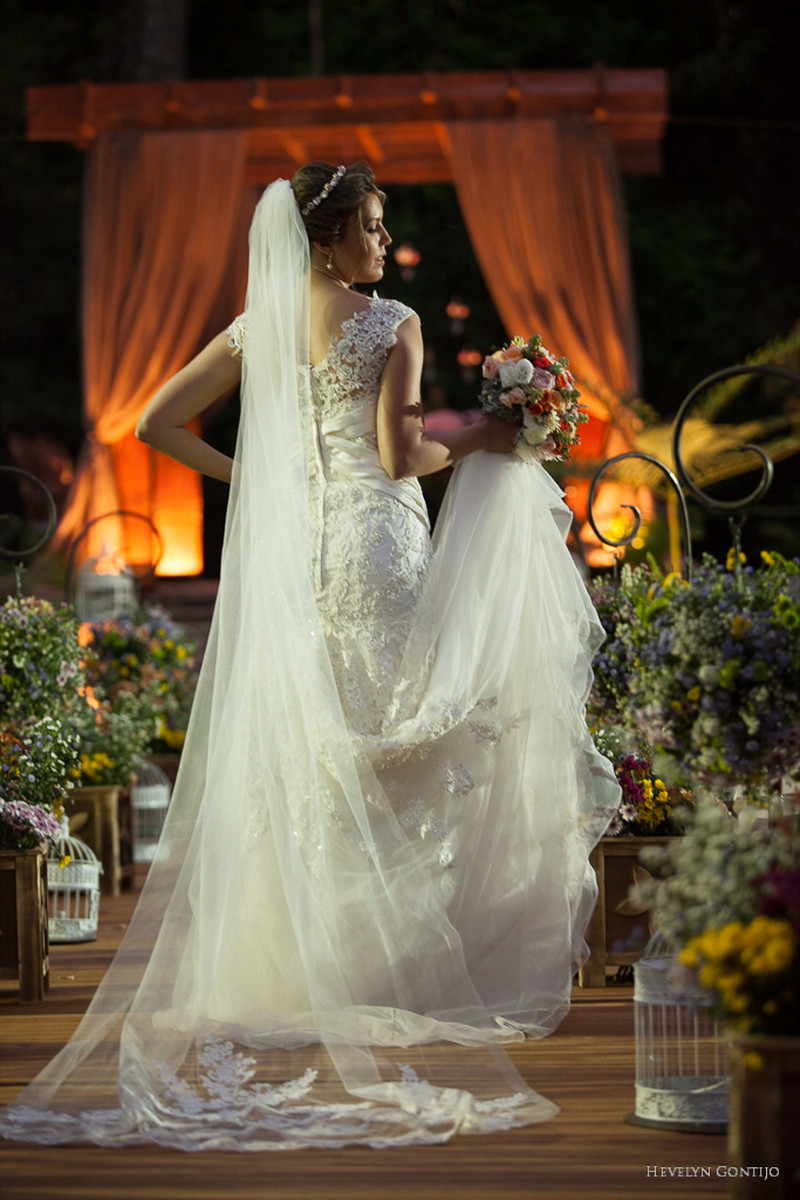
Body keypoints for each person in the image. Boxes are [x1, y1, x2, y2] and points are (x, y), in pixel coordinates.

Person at [0, 164, 619, 1151]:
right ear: (329, 238)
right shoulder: (391, 321)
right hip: (374, 543)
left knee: (314, 742)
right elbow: (398, 456)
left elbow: (155, 421)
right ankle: (381, 969)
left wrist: (255, 480)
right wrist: (494, 435)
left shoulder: (259, 323)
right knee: (395, 730)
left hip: (300, 550)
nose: (384, 243)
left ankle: (298, 962)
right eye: (371, 228)